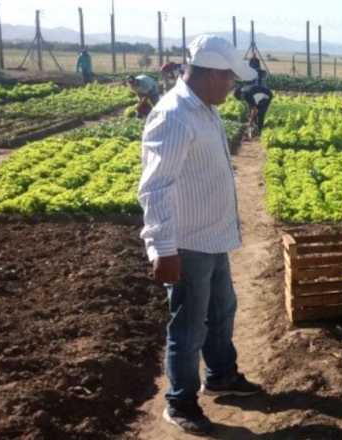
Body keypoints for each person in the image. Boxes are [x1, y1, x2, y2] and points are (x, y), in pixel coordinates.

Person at [137, 34, 263, 435]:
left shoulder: (204, 108)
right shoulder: (174, 115)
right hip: (187, 243)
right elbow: (155, 187)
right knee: (189, 325)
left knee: (222, 311)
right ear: (209, 73)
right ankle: (181, 402)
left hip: (214, 237)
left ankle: (222, 375)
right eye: (228, 77)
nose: (233, 85)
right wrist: (162, 248)